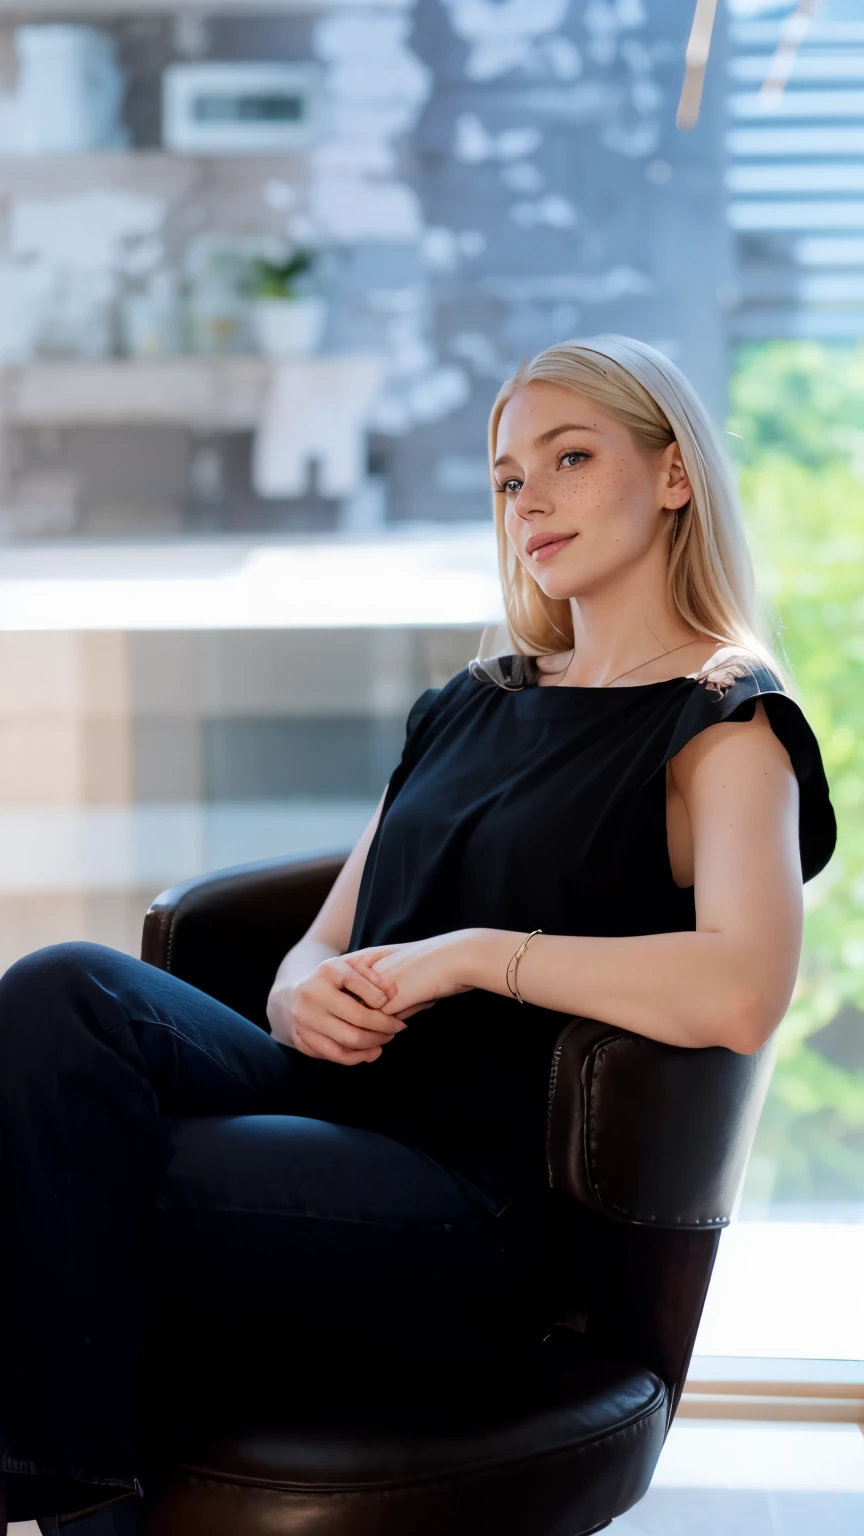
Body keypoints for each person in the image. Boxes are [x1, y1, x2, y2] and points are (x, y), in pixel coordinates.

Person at [0, 335, 836, 1534]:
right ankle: (84, 1502)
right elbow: (321, 943)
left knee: (86, 1167)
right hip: (329, 1095)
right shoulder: (475, 701)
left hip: (471, 1196)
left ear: (672, 475)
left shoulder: (725, 723)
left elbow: (744, 988)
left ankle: (79, 1517)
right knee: (61, 990)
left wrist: (473, 953)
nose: (529, 499)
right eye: (506, 478)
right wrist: (298, 997)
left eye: (570, 455)